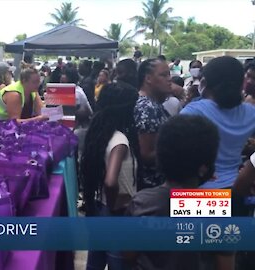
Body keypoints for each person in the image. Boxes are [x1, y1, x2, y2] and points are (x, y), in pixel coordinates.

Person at [125, 115, 233, 270]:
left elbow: (128, 255)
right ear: (203, 167)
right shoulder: (216, 210)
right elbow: (225, 265)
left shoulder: (141, 203)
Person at [181, 56, 255, 216]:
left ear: (205, 82)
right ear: (241, 83)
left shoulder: (193, 112)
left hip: (199, 191)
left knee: (192, 237)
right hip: (237, 188)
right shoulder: (250, 113)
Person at [81, 83, 139, 270]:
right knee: (118, 262)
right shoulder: (120, 141)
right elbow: (111, 180)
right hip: (115, 211)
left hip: (98, 206)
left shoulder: (100, 134)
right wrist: (115, 206)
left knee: (95, 262)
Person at [0, 67, 47, 136]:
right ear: (24, 81)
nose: (38, 84)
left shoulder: (33, 91)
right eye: (34, 82)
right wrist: (37, 119)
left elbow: (42, 112)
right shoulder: (14, 95)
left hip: (1, 124)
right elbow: (14, 122)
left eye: (38, 81)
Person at [134, 59, 172, 190]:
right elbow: (146, 154)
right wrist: (178, 148)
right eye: (163, 75)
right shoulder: (147, 107)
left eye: (169, 75)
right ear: (148, 79)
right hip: (152, 185)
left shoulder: (152, 104)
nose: (169, 79)